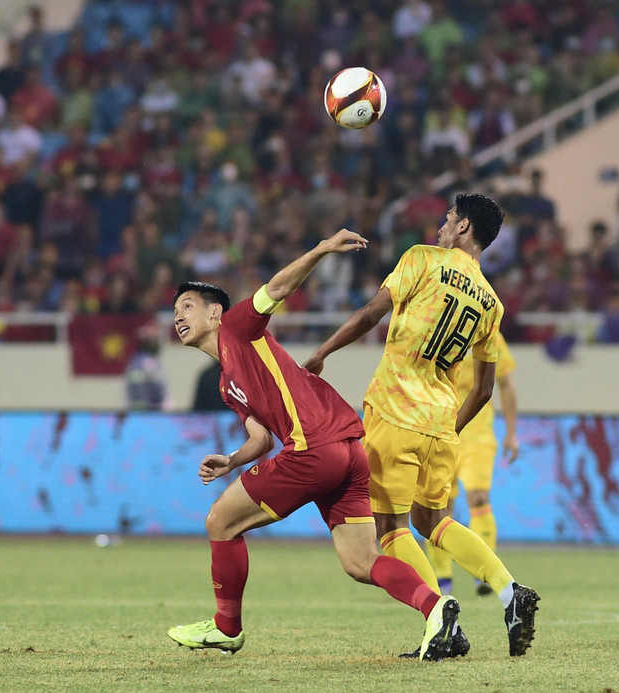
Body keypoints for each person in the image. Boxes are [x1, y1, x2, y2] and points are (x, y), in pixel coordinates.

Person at [167, 229, 462, 662]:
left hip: (314, 448)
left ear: (214, 313)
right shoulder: (228, 382)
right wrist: (231, 460)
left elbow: (280, 287)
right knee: (360, 561)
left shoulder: (238, 326)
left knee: (220, 522)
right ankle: (435, 609)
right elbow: (260, 438)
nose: (177, 315)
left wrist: (322, 249)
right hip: (347, 451)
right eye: (174, 310)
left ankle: (227, 628)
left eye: (187, 306)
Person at [304, 193, 540, 658]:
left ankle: (441, 620)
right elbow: (485, 388)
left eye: (448, 219)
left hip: (393, 414)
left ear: (465, 227)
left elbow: (372, 314)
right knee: (431, 519)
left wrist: (322, 352)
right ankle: (509, 591)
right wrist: (450, 427)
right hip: (440, 425)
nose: (440, 226)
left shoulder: (422, 261)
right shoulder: (491, 303)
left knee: (390, 528)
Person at [424, 332, 519, 596]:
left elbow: (506, 385)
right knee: (438, 508)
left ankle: (483, 575)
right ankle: (443, 579)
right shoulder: (438, 330)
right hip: (441, 432)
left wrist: (512, 432)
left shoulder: (491, 337)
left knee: (478, 497)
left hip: (477, 436)